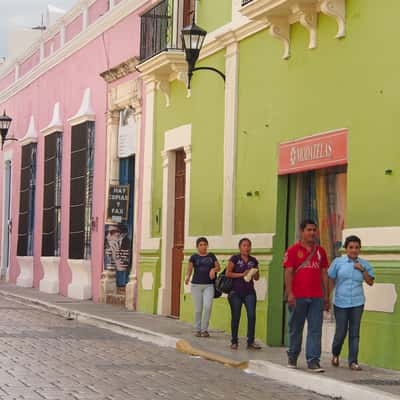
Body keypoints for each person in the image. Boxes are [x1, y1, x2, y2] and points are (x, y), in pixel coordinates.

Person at [284, 219, 329, 372]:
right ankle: (293, 355)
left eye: (314, 230)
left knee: (315, 328)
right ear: (302, 231)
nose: (312, 233)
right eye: (309, 230)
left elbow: (324, 274)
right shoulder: (292, 250)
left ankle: (313, 360)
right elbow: (288, 272)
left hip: (317, 296)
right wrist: (290, 293)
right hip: (298, 296)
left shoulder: (321, 252)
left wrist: (326, 295)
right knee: (296, 327)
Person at [328, 235, 375, 371]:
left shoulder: (364, 264)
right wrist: (327, 297)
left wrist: (362, 269)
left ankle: (353, 361)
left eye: (356, 248)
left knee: (354, 333)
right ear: (346, 249)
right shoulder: (338, 262)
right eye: (351, 247)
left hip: (357, 302)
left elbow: (370, 282)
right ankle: (335, 353)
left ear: (360, 249)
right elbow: (330, 278)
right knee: (341, 332)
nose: (354, 250)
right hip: (340, 302)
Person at [226, 238, 261, 350]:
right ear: (240, 247)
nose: (247, 248)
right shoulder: (235, 259)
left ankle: (250, 341)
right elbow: (228, 273)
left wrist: (254, 272)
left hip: (249, 292)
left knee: (251, 316)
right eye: (244, 245)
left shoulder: (253, 260)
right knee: (236, 316)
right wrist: (242, 274)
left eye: (248, 246)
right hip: (236, 292)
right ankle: (234, 341)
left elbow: (257, 277)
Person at [185, 237, 220, 337]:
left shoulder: (211, 256)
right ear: (197, 247)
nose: (203, 246)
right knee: (198, 309)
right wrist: (187, 277)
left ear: (207, 246)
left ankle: (204, 329)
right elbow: (189, 269)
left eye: (205, 244)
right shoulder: (194, 257)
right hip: (196, 286)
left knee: (208, 307)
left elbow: (218, 267)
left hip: (209, 285)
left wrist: (213, 269)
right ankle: (197, 329)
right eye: (201, 245)